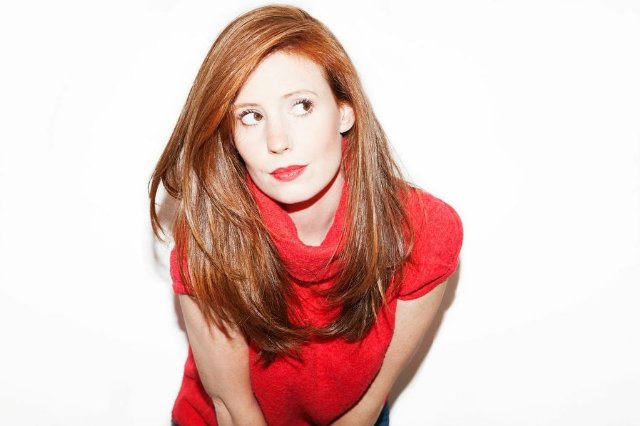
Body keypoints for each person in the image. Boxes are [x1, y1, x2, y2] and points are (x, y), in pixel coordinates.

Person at [149, 5, 463, 426]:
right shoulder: (211, 238)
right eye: (251, 116)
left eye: (301, 106)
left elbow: (369, 403)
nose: (277, 141)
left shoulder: (424, 232)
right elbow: (233, 408)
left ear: (345, 110)